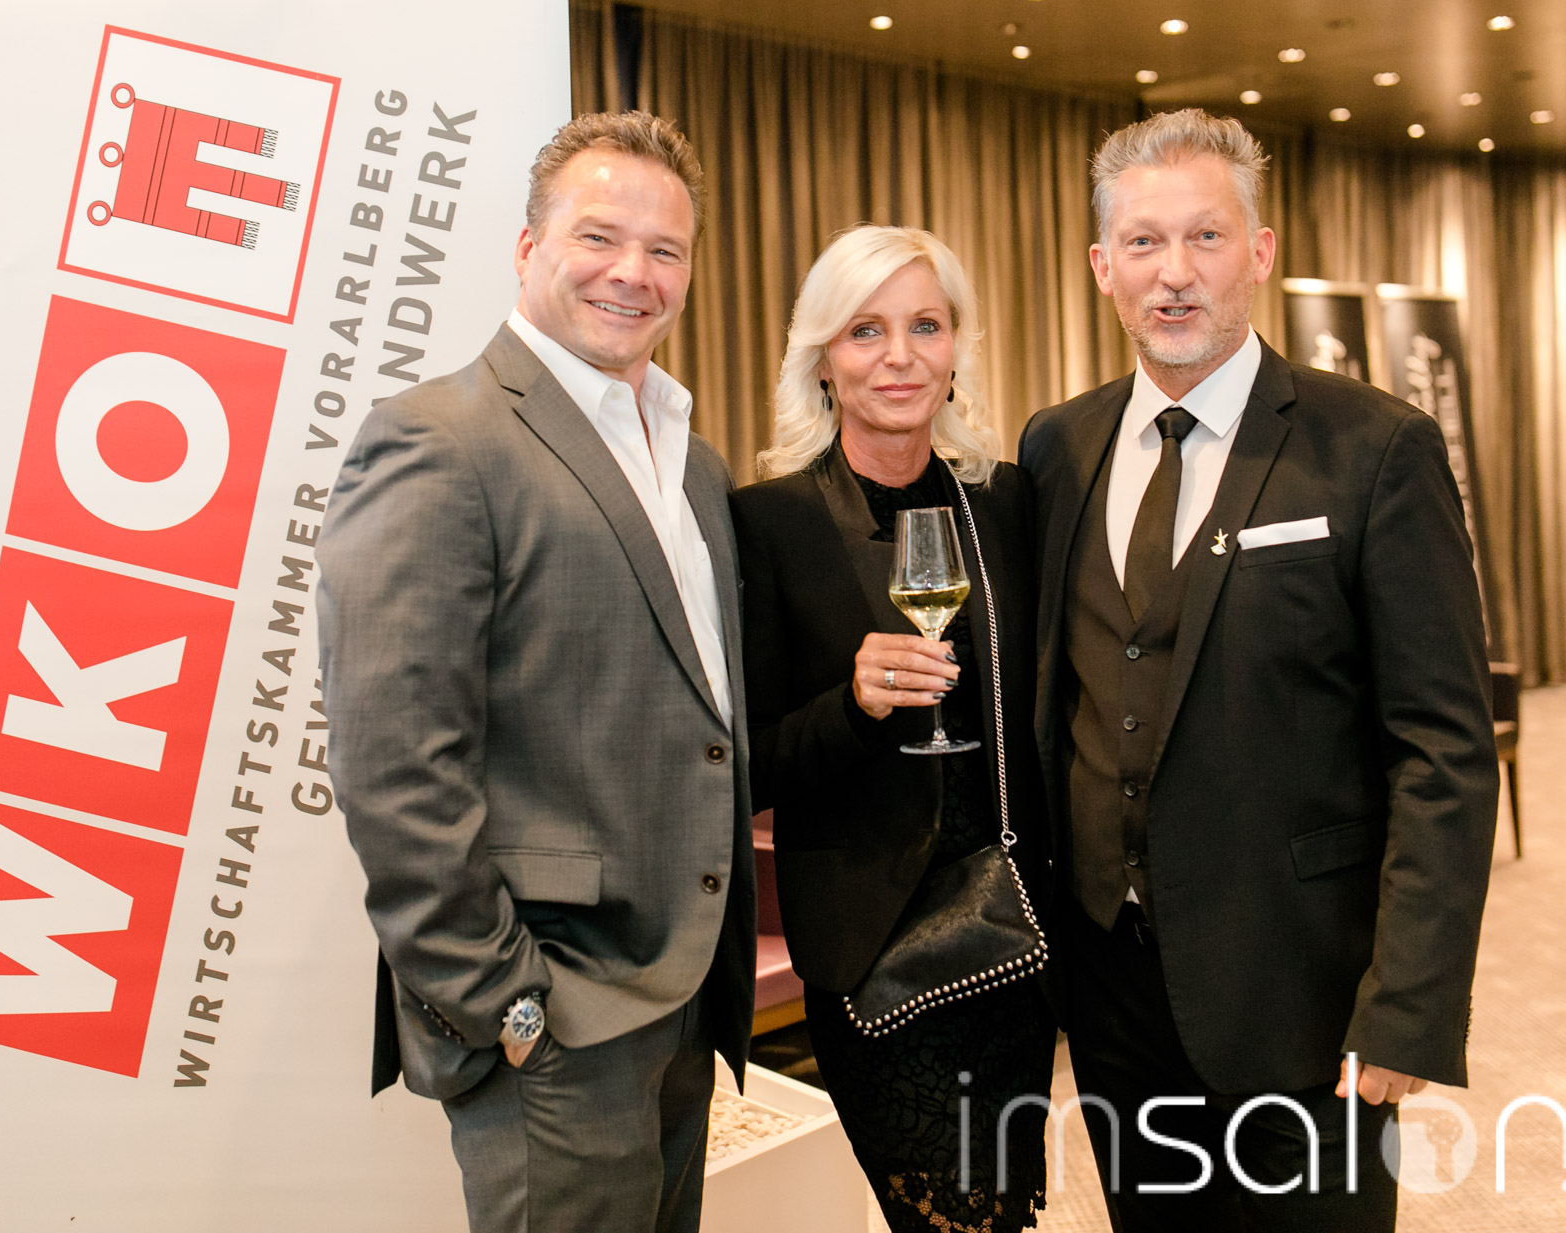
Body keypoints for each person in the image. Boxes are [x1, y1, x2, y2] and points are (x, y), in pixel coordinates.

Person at [1020, 109, 1497, 1230]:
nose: (1174, 273)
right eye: (1143, 243)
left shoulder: (1375, 447)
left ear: (1260, 251)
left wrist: (1408, 1004)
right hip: (1111, 994)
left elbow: (1442, 747)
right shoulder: (1057, 448)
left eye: (1206, 237)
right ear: (1101, 266)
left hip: (1305, 994)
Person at [316, 112, 755, 1233]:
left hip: (682, 1002)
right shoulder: (438, 440)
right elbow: (393, 764)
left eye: (665, 250)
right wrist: (505, 1006)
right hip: (554, 1022)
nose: (633, 272)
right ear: (526, 248)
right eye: (598, 236)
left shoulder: (693, 461)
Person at [732, 226, 1058, 1233]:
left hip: (1008, 933)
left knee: (1001, 1211)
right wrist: (854, 705)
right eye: (865, 330)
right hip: (875, 954)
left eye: (925, 325)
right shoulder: (769, 523)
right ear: (822, 357)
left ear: (956, 345)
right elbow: (743, 763)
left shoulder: (1005, 503)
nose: (899, 356)